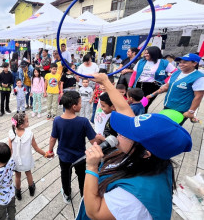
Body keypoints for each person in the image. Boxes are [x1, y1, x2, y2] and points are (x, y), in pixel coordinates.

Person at [77, 73, 192, 220]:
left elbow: (94, 212)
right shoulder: (152, 155)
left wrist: (92, 167)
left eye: (126, 133)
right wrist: (105, 81)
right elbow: (125, 110)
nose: (119, 133)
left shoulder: (133, 196)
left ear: (146, 153)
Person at [48, 91, 100, 203]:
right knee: (82, 177)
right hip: (80, 157)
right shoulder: (83, 122)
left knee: (65, 175)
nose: (81, 105)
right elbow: (93, 141)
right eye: (80, 103)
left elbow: (53, 138)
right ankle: (83, 195)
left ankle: (66, 194)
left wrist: (50, 150)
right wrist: (100, 139)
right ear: (74, 106)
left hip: (63, 157)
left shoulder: (57, 120)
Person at [148, 53, 204, 125]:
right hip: (168, 105)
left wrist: (191, 112)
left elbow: (198, 96)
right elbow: (166, 87)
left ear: (194, 63)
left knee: (172, 129)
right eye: (180, 62)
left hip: (181, 110)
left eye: (185, 62)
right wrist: (151, 95)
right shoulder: (176, 73)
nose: (181, 64)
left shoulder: (199, 77)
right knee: (163, 125)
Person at [8, 113, 46, 200]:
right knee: (28, 173)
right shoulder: (29, 134)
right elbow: (36, 148)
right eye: (27, 121)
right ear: (21, 125)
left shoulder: (11, 133)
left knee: (17, 176)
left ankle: (18, 192)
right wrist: (45, 154)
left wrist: (8, 161)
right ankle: (31, 189)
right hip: (27, 160)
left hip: (16, 161)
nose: (28, 122)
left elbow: (9, 149)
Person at [129, 46, 176, 112]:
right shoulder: (141, 61)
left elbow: (175, 72)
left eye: (148, 53)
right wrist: (130, 86)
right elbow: (134, 74)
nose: (145, 55)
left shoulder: (163, 62)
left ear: (154, 53)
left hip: (152, 86)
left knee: (144, 105)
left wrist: (165, 81)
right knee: (134, 104)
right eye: (145, 53)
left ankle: (142, 118)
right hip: (139, 85)